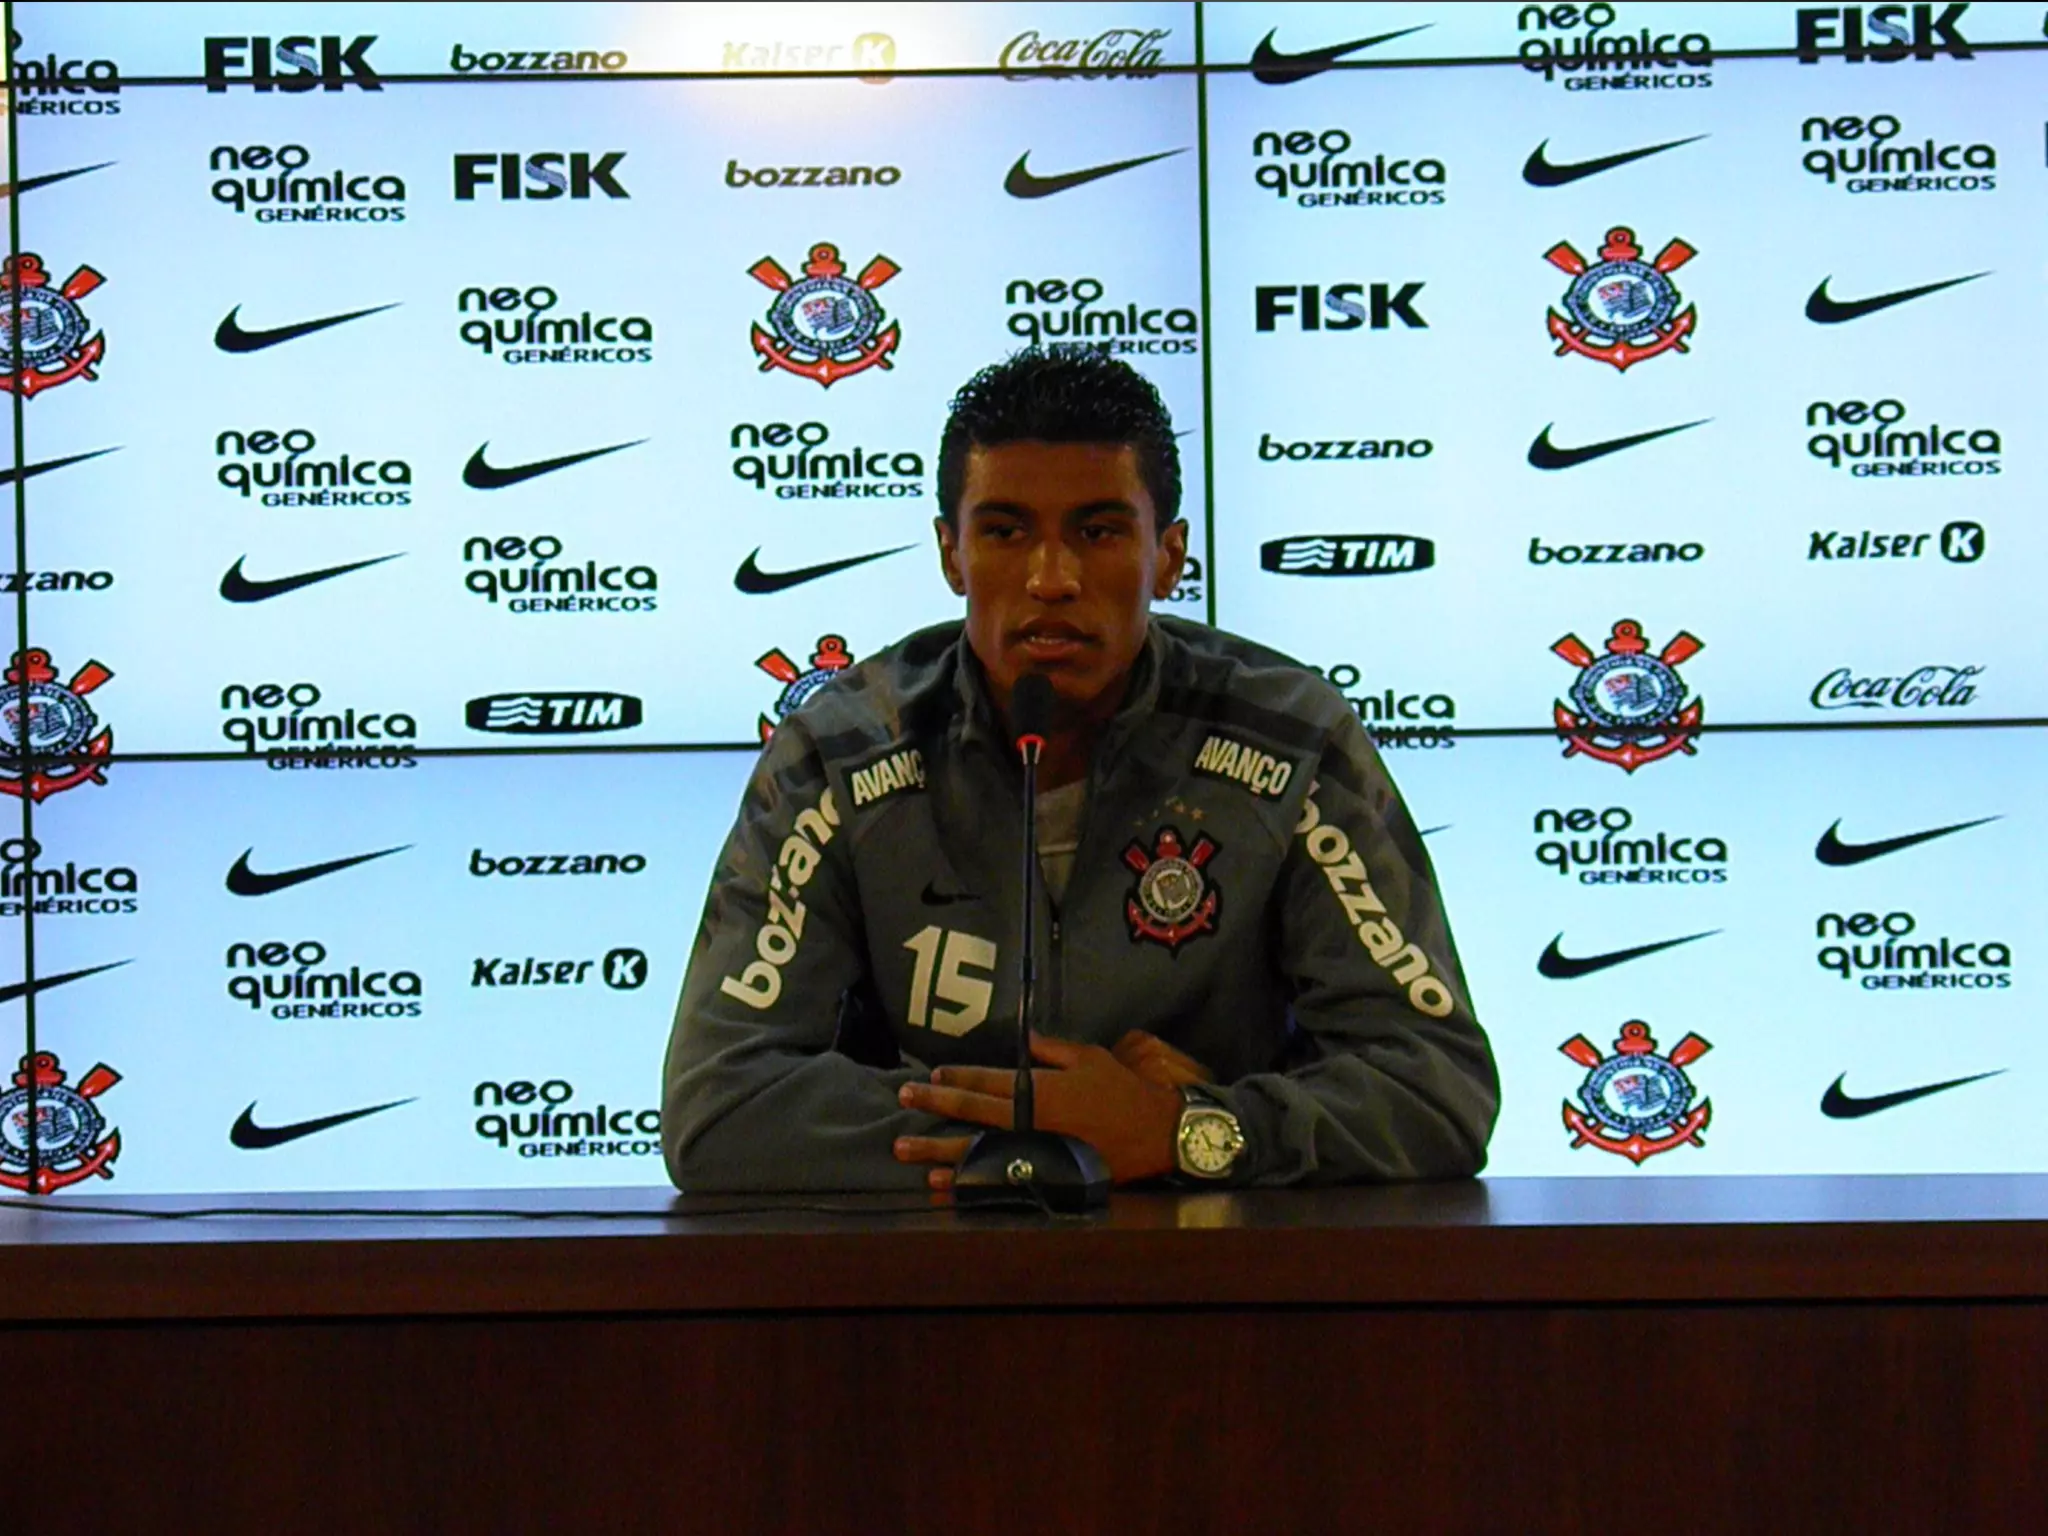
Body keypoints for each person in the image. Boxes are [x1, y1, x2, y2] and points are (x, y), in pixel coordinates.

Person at [663, 349, 1496, 1192]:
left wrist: (1190, 1129)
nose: (1050, 579)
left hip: (1217, 1288)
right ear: (951, 553)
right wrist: (1056, 1139)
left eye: (1098, 533)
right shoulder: (845, 751)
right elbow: (717, 1103)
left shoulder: (1285, 741)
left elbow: (1437, 1087)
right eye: (1004, 531)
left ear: (1168, 557)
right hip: (928, 1291)